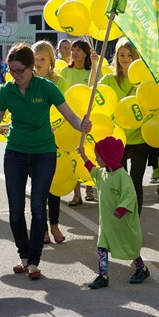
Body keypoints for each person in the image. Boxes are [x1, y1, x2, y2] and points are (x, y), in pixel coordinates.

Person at [0, 43, 87, 280]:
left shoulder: (46, 87)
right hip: (16, 153)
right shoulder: (6, 91)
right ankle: (23, 255)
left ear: (32, 68)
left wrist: (82, 125)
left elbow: (70, 116)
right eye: (11, 71)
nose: (16, 75)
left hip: (44, 153)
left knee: (39, 209)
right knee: (16, 211)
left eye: (20, 70)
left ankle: (33, 262)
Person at [77, 131, 149, 289]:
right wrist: (82, 154)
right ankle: (103, 276)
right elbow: (91, 169)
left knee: (130, 247)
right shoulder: (103, 173)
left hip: (122, 223)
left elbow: (130, 195)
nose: (96, 159)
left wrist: (122, 208)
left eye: (98, 156)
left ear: (107, 156)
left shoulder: (122, 176)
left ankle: (141, 268)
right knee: (101, 245)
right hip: (107, 223)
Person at [100, 38, 151, 215]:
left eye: (129, 55)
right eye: (121, 55)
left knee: (136, 182)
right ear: (116, 57)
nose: (125, 58)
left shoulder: (144, 81)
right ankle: (118, 222)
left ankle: (134, 220)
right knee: (118, 183)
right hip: (116, 138)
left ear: (136, 57)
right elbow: (93, 97)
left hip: (139, 137)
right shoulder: (108, 80)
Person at [32, 40, 70, 244]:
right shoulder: (26, 81)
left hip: (54, 140)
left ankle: (54, 224)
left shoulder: (60, 82)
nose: (38, 63)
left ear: (51, 61)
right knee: (40, 187)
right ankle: (42, 228)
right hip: (33, 140)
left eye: (42, 59)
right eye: (35, 59)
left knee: (53, 185)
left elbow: (67, 109)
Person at [58, 39, 98, 206]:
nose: (74, 53)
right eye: (73, 49)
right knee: (72, 153)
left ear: (86, 53)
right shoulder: (65, 71)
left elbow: (92, 88)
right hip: (70, 119)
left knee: (87, 152)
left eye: (78, 50)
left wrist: (95, 64)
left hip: (88, 118)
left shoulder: (91, 70)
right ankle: (76, 194)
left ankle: (89, 189)